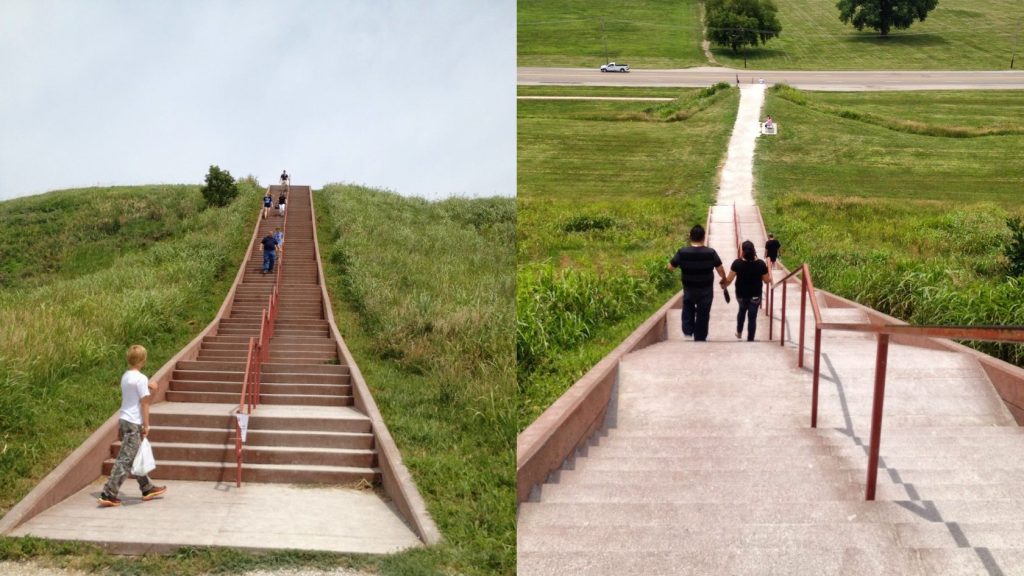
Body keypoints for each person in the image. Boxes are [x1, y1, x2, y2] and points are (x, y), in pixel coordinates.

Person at [98, 345, 167, 507]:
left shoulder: (126, 376)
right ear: (143, 360)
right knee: (125, 459)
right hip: (134, 422)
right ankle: (109, 493)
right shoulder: (141, 378)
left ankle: (147, 488)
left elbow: (134, 396)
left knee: (134, 454)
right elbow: (145, 403)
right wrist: (147, 424)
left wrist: (147, 388)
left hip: (123, 419)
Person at [668, 224, 727, 341]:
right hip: (706, 289)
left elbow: (670, 267)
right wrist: (723, 278)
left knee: (688, 306)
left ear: (690, 236)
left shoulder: (682, 252)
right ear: (704, 237)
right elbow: (720, 269)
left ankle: (688, 329)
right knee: (703, 313)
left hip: (689, 287)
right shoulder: (710, 252)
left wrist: (681, 266)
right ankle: (700, 337)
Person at [721, 240, 771, 341]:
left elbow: (729, 280)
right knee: (752, 317)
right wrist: (769, 273)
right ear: (754, 250)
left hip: (741, 295)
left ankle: (739, 332)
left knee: (742, 311)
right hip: (755, 295)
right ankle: (750, 339)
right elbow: (766, 281)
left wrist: (723, 283)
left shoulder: (737, 263)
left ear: (742, 251)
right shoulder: (761, 264)